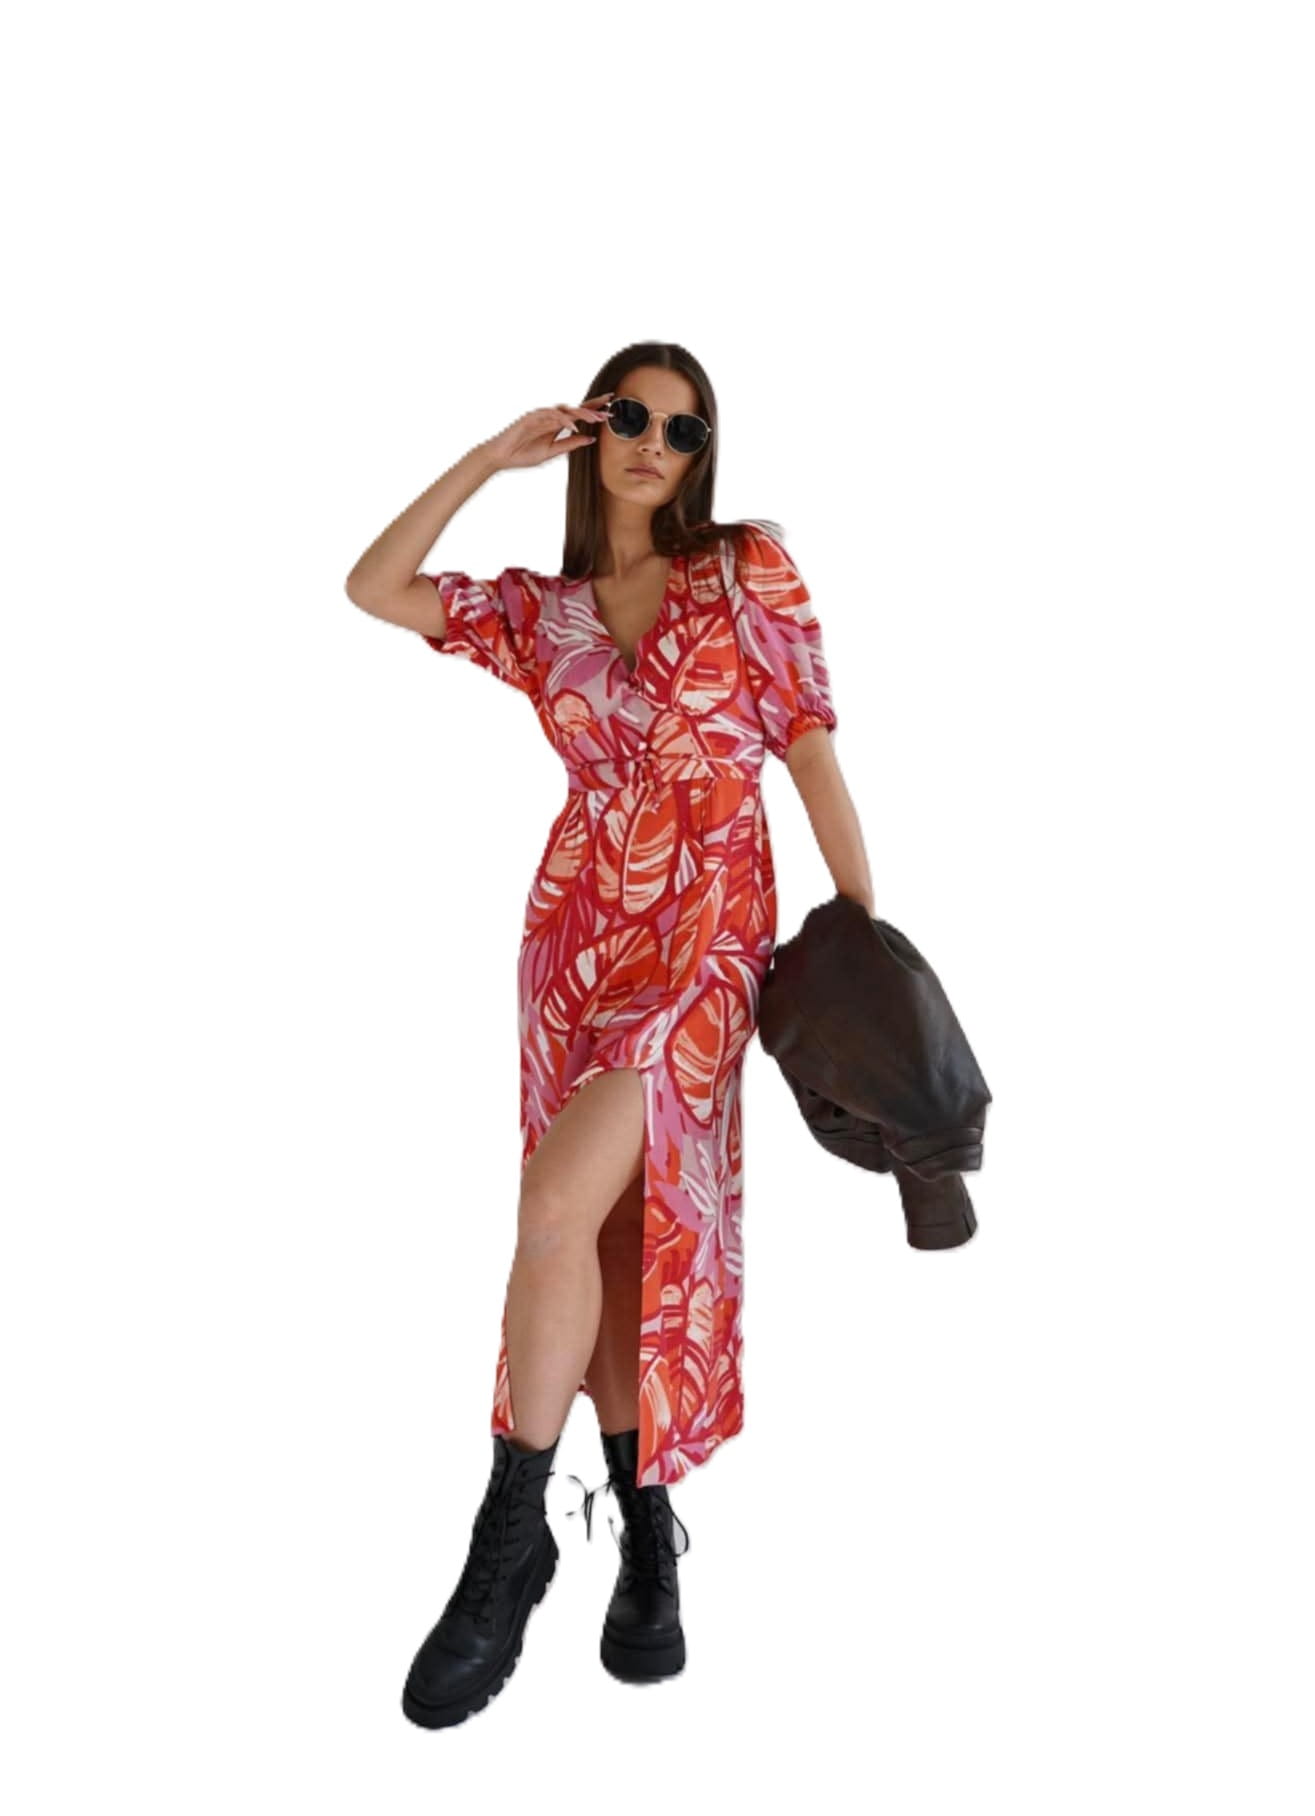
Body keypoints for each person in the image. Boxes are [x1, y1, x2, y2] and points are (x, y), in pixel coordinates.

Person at [345, 340, 875, 1727]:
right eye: (633, 417)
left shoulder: (746, 569)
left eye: (684, 429)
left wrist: (864, 932)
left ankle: (503, 1544)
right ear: (594, 433)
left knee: (552, 1203)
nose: (656, 443)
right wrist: (489, 459)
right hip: (577, 939)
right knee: (608, 1235)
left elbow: (808, 742)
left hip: (709, 933)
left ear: (707, 455)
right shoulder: (547, 612)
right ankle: (645, 1545)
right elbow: (375, 587)